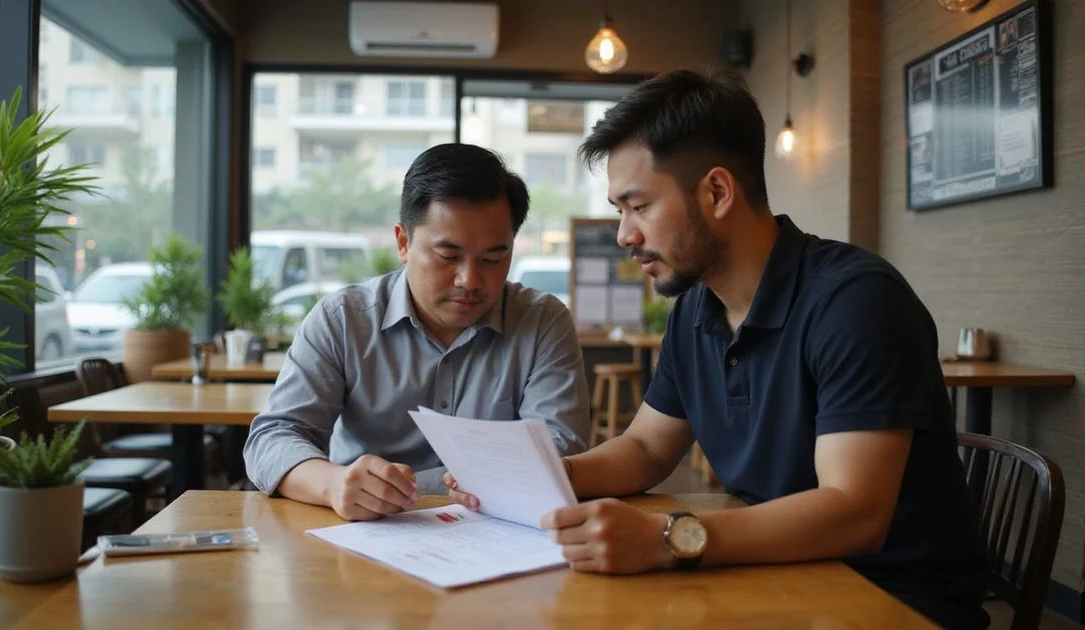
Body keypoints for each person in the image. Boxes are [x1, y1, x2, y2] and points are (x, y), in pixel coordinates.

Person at [446, 69, 989, 629]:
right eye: (619, 211)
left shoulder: (856, 302)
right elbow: (646, 451)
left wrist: (668, 538)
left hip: (888, 598)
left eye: (638, 206)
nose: (624, 235)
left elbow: (855, 513)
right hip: (776, 575)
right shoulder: (696, 310)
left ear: (717, 192)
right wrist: (535, 476)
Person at [245, 143, 590, 521]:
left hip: (500, 536)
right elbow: (272, 438)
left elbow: (562, 453)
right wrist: (334, 483)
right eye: (447, 256)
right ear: (403, 243)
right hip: (363, 533)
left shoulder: (542, 323)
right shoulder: (343, 320)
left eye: (493, 258)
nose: (470, 280)